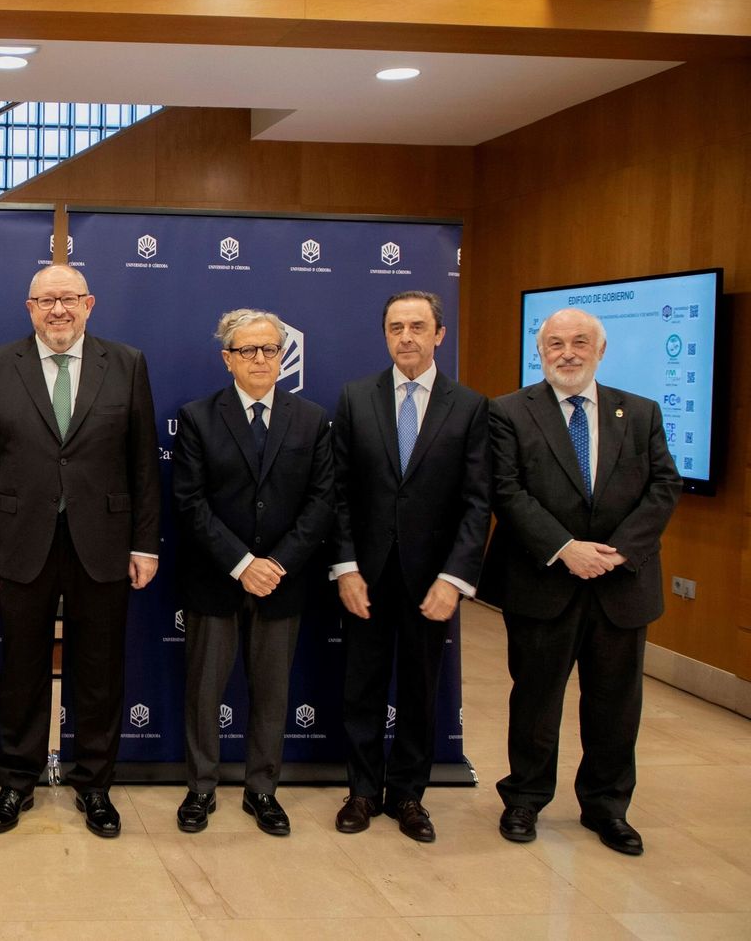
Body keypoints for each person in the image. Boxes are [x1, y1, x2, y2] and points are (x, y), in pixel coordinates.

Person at [0, 263, 161, 839]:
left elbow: (144, 464)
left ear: (90, 303)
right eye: (46, 300)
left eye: (69, 299)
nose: (58, 310)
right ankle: (16, 782)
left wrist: (145, 543)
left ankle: (95, 785)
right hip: (20, 542)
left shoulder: (126, 363)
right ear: (29, 307)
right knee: (21, 669)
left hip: (103, 542)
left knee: (99, 673)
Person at [482, 307, 681, 856]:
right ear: (540, 352)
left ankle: (606, 807)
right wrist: (566, 549)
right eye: (554, 344)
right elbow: (506, 490)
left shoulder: (640, 413)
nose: (566, 352)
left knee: (616, 706)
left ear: (599, 350)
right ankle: (524, 798)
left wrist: (615, 553)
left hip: (621, 585)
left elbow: (664, 485)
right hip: (542, 583)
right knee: (535, 701)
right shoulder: (508, 413)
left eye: (579, 342)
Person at [331, 290, 490, 843]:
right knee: (361, 686)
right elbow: (340, 493)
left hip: (433, 581)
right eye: (396, 327)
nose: (407, 337)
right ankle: (362, 791)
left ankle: (408, 797)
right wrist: (346, 567)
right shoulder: (355, 398)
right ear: (385, 335)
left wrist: (455, 579)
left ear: (439, 334)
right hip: (366, 578)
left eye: (418, 327)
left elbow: (477, 502)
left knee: (422, 690)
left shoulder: (469, 407)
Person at [171, 309, 335, 836]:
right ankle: (200, 788)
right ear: (228, 359)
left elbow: (320, 503)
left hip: (283, 580)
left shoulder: (311, 419)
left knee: (271, 691)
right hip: (216, 577)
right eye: (248, 351)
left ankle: (263, 790)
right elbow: (190, 502)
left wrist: (277, 564)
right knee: (204, 690)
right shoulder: (197, 417)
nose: (260, 359)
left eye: (270, 349)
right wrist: (242, 564)